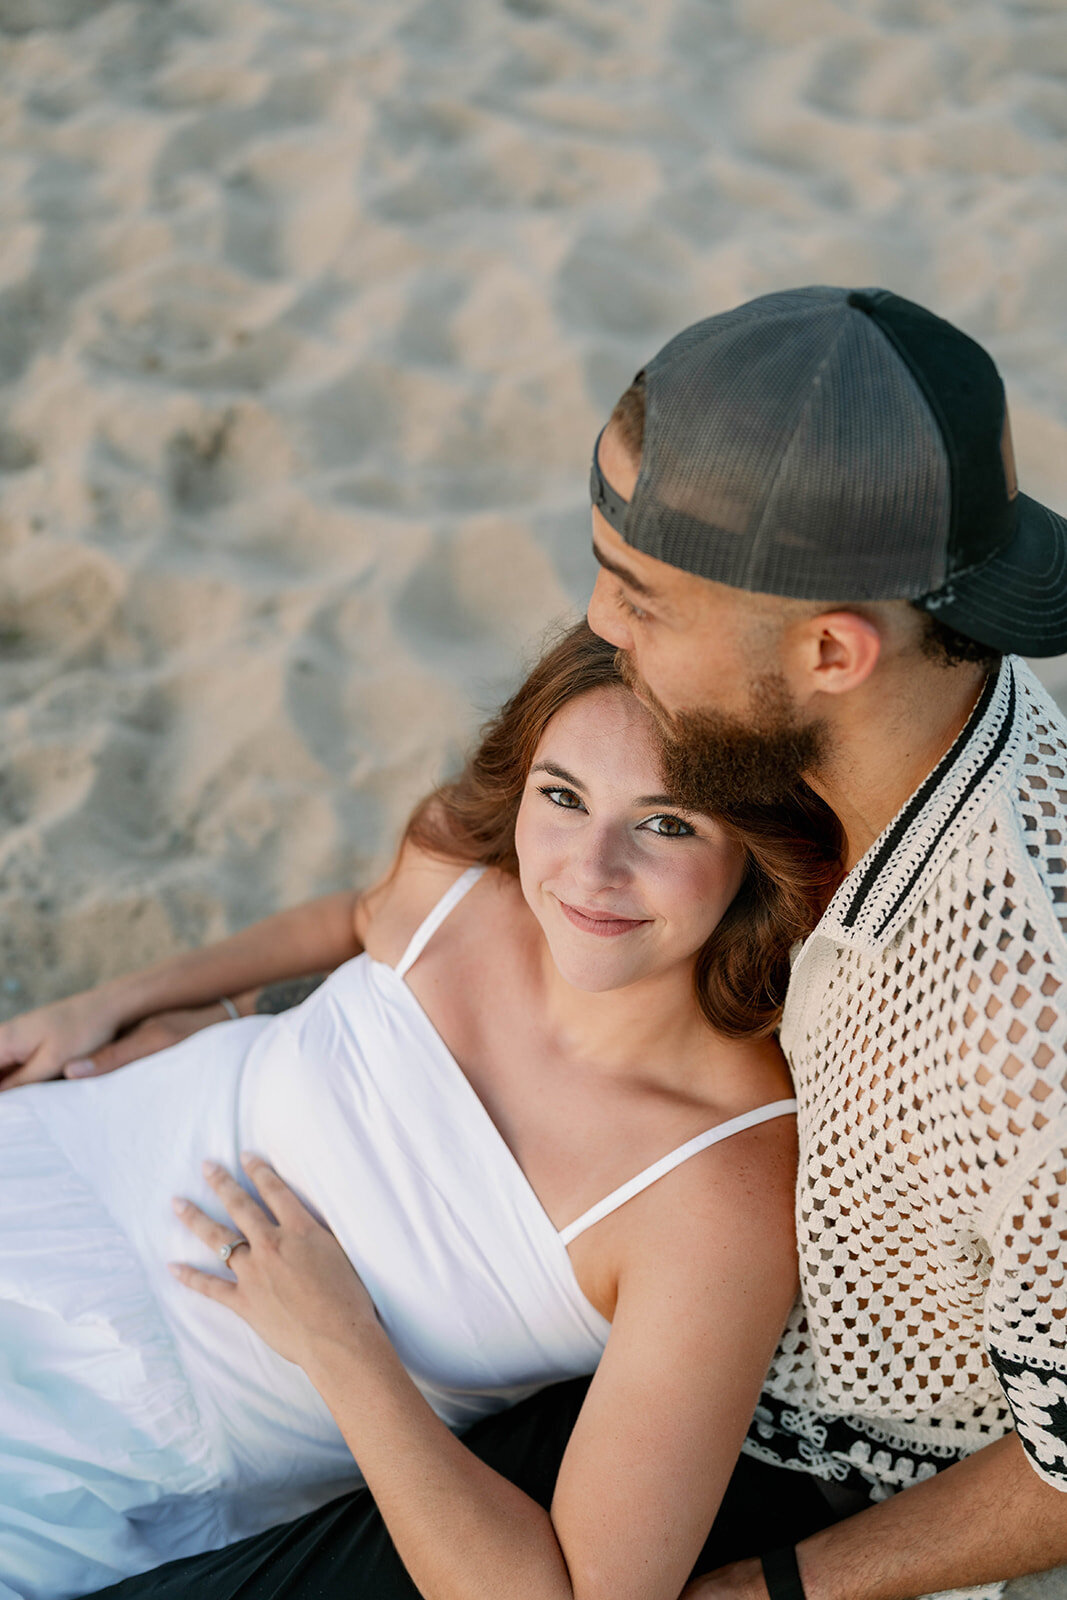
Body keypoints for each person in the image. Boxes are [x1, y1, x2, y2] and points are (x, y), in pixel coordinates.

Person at [92, 285, 1067, 1600]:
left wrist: (771, 1589)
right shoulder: (855, 712)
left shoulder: (1015, 1021)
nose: (600, 627)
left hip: (793, 1476)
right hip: (606, 1315)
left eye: (643, 599)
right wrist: (233, 1026)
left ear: (831, 648)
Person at [0, 622, 842, 1600]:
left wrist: (342, 1349)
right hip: (46, 1171)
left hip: (110, 1434)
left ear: (756, 850)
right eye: (561, 797)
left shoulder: (709, 1190)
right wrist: (145, 1002)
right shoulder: (466, 885)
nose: (587, 868)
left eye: (665, 823)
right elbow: (356, 916)